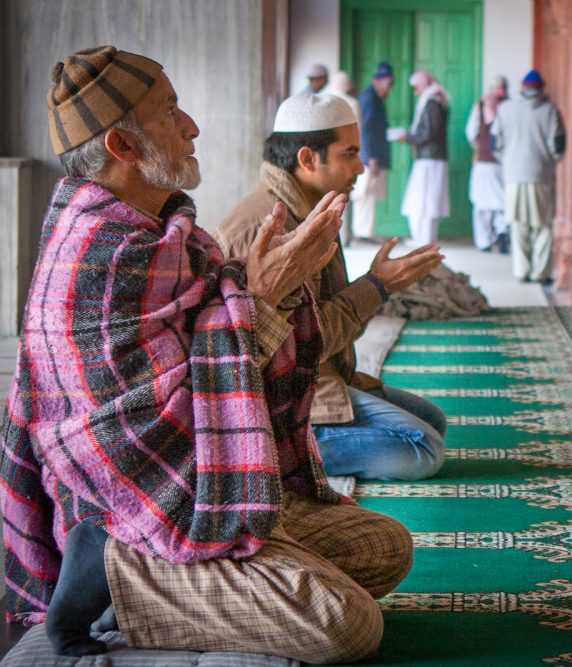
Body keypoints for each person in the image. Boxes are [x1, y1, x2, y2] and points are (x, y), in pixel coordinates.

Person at [1, 46, 412, 664]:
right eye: (170, 111)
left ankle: (217, 569)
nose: (191, 125)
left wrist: (262, 298)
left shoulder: (173, 234)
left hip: (199, 486)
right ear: (122, 145)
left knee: (384, 547)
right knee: (346, 626)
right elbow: (163, 423)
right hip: (129, 506)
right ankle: (111, 571)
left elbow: (214, 369)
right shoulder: (96, 254)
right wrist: (262, 297)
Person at [216, 93, 448, 481]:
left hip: (321, 379)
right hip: (282, 401)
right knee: (421, 449)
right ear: (308, 159)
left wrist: (378, 286)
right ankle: (274, 452)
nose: (360, 166)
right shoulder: (270, 226)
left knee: (432, 420)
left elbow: (329, 327)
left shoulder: (311, 205)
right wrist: (376, 287)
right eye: (349, 154)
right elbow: (304, 344)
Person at [491, 69, 566, 284]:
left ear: (522, 88)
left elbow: (496, 142)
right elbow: (558, 146)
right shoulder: (550, 110)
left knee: (518, 224)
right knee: (543, 227)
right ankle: (540, 273)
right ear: (541, 89)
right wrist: (550, 160)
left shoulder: (505, 109)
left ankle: (521, 271)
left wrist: (507, 160)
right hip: (541, 175)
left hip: (513, 176)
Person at [401, 70, 450, 246]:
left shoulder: (432, 102)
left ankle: (425, 239)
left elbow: (429, 132)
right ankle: (423, 238)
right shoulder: (435, 99)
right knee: (424, 200)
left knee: (426, 201)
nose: (415, 91)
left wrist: (408, 138)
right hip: (430, 157)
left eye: (416, 87)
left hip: (430, 158)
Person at [465, 75, 509, 253]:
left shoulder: (481, 105)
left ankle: (484, 240)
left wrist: (479, 147)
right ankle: (502, 232)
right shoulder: (508, 105)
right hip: (502, 163)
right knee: (502, 202)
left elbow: (471, 132)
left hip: (483, 163)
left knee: (481, 204)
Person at [354, 61, 396, 241]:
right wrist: (370, 156)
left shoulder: (375, 98)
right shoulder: (370, 98)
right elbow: (367, 129)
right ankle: (363, 233)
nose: (388, 90)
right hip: (369, 156)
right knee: (365, 194)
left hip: (372, 154)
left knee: (370, 195)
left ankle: (366, 231)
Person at [328, 70, 361, 247]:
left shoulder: (325, 100)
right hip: (347, 157)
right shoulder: (352, 103)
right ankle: (345, 236)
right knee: (345, 195)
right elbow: (357, 134)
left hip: (329, 161)